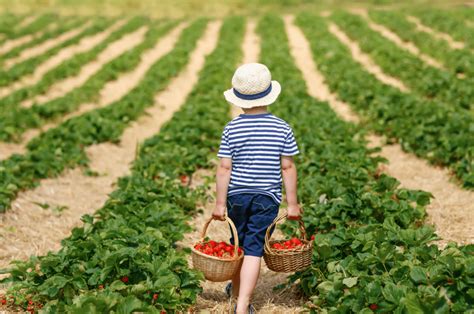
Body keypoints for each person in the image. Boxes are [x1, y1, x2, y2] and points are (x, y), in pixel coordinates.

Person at [212, 63, 301, 314]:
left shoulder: (232, 128)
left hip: (236, 196)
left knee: (237, 245)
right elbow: (287, 168)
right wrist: (292, 203)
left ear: (239, 98)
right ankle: (242, 306)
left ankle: (237, 291)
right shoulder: (282, 127)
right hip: (266, 198)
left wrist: (220, 203)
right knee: (253, 250)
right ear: (269, 94)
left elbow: (224, 168)